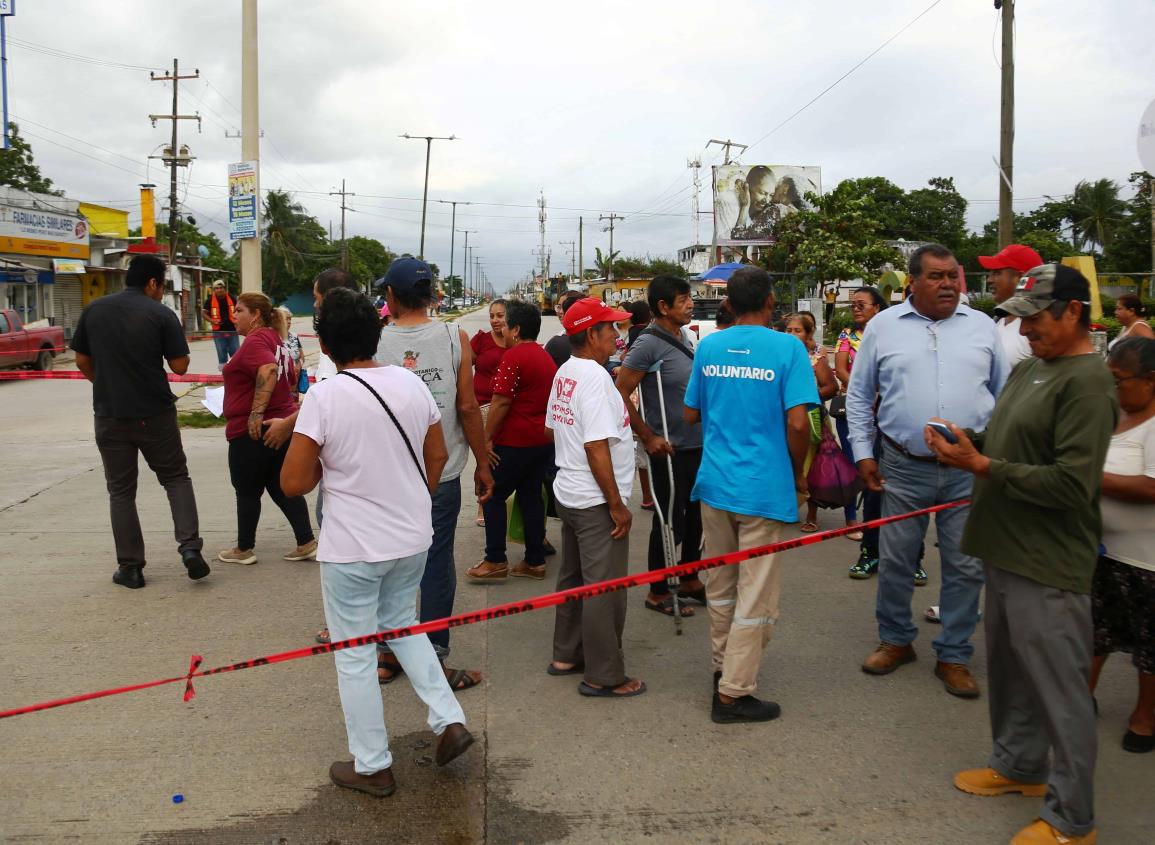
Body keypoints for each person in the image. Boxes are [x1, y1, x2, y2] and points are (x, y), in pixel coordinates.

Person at [928, 263, 1115, 845]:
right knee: (1012, 675)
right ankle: (1019, 767)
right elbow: (1011, 445)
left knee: (1062, 693)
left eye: (1036, 317)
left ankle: (1071, 818)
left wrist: (980, 466)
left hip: (1047, 559)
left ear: (1073, 312)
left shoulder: (1088, 382)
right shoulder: (1033, 367)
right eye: (1022, 317)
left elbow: (1072, 484)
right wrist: (970, 446)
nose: (1026, 327)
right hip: (1003, 546)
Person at [281, 287, 473, 797]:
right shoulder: (410, 385)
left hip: (354, 548)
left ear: (324, 341)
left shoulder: (325, 395)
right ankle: (448, 718)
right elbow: (438, 457)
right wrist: (410, 498)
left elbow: (294, 483)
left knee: (355, 653)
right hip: (410, 537)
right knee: (404, 625)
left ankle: (372, 764)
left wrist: (334, 463)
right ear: (377, 333)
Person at [848, 244, 1008, 699]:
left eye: (953, 277)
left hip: (967, 469)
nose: (948, 285)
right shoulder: (882, 328)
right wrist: (864, 454)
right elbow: (859, 396)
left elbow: (1005, 394)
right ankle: (896, 641)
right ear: (912, 282)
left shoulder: (982, 327)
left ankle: (954, 655)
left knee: (964, 564)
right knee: (897, 560)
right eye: (936, 277)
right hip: (902, 465)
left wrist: (991, 457)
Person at [684, 267, 818, 723]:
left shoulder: (709, 346)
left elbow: (690, 412)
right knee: (756, 593)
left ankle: (724, 667)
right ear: (770, 300)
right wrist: (798, 476)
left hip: (716, 482)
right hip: (763, 486)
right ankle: (734, 693)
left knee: (720, 587)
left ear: (728, 302)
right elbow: (799, 424)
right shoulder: (789, 348)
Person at [375, 257, 495, 690]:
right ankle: (434, 655)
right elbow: (466, 406)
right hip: (439, 474)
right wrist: (483, 463)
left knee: (388, 562)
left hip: (386, 475)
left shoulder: (374, 339)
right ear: (432, 296)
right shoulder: (453, 336)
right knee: (435, 561)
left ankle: (386, 654)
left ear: (389, 296)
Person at [70, 254, 209, 589]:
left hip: (110, 415)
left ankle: (130, 568)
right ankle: (190, 549)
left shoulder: (95, 310)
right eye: (162, 286)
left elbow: (81, 360)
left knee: (120, 491)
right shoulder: (161, 314)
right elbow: (179, 367)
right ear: (152, 283)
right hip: (155, 415)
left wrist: (106, 386)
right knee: (175, 478)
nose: (162, 293)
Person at [547, 297, 645, 698]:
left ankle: (566, 654)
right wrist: (616, 505)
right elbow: (595, 446)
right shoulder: (594, 378)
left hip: (570, 494)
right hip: (593, 501)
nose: (618, 336)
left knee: (573, 577)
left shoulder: (567, 372)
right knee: (604, 588)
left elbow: (556, 427)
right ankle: (605, 674)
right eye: (611, 329)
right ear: (591, 334)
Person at [618, 275, 706, 618]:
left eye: (690, 297)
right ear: (663, 307)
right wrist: (648, 435)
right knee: (669, 519)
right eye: (683, 299)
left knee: (697, 515)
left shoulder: (684, 335)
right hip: (669, 448)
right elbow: (620, 393)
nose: (691, 303)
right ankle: (657, 590)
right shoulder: (647, 344)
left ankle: (689, 577)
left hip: (697, 443)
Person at [1090, 336, 1155, 754]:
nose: (1114, 389)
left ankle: (1145, 716)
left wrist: (1087, 476)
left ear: (1150, 380)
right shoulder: (1116, 414)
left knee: (1149, 647)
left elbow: (1151, 487)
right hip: (1103, 553)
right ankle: (1077, 698)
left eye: (1119, 380)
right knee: (1095, 633)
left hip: (1148, 562)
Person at [218, 293, 316, 565]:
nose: (234, 315)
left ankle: (243, 549)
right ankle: (306, 541)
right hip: (279, 425)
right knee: (278, 485)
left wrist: (255, 413)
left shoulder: (256, 340)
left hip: (254, 430)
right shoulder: (275, 338)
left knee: (247, 490)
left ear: (256, 316)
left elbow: (268, 369)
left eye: (239, 311)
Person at [468, 301, 557, 581]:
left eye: (504, 323)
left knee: (491, 494)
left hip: (514, 441)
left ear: (515, 329)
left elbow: (501, 402)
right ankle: (534, 561)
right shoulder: (544, 356)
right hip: (541, 441)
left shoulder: (513, 357)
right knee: (530, 496)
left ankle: (495, 559)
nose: (501, 328)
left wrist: (486, 440)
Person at [835, 287, 889, 556]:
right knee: (853, 463)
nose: (855, 308)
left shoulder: (890, 334)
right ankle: (851, 519)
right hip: (855, 410)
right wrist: (864, 391)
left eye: (861, 304)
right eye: (852, 304)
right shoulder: (847, 335)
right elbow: (841, 369)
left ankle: (881, 527)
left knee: (881, 469)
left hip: (885, 412)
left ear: (877, 307)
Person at [784, 312, 840, 533]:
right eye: (788, 330)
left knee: (811, 467)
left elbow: (831, 387)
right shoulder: (780, 357)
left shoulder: (816, 360)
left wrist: (806, 396)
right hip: (784, 421)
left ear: (808, 336)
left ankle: (812, 513)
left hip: (812, 420)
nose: (791, 334)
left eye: (797, 330)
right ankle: (788, 508)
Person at [470, 299, 509, 528]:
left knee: (499, 456)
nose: (495, 320)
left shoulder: (514, 340)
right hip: (481, 408)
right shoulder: (481, 340)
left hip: (505, 408)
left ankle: (495, 497)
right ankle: (483, 501)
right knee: (483, 455)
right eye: (492, 315)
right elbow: (465, 365)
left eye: (500, 315)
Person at [979, 243, 1043, 367]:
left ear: (1020, 278)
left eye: (997, 273)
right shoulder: (998, 321)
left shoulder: (1036, 329)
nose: (989, 280)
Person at [203, 279, 239, 370]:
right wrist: (212, 320)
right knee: (221, 353)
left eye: (221, 288)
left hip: (232, 330)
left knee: (235, 353)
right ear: (214, 290)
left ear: (224, 288)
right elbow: (203, 313)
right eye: (217, 288)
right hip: (218, 332)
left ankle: (236, 372)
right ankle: (225, 375)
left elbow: (239, 310)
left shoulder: (232, 298)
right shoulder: (210, 300)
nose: (219, 290)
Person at [545, 291, 584, 368]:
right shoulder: (557, 339)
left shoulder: (589, 340)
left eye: (566, 307)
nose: (561, 311)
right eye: (559, 307)